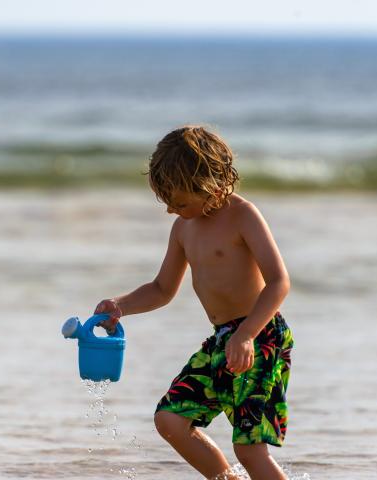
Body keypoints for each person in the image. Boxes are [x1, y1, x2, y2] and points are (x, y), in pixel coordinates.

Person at [94, 125, 293, 480]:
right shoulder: (184, 229)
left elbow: (279, 282)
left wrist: (246, 335)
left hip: (260, 337)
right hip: (222, 339)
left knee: (248, 448)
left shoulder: (243, 215)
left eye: (180, 201)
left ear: (212, 186)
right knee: (170, 419)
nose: (172, 210)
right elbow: (161, 288)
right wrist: (120, 304)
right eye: (167, 201)